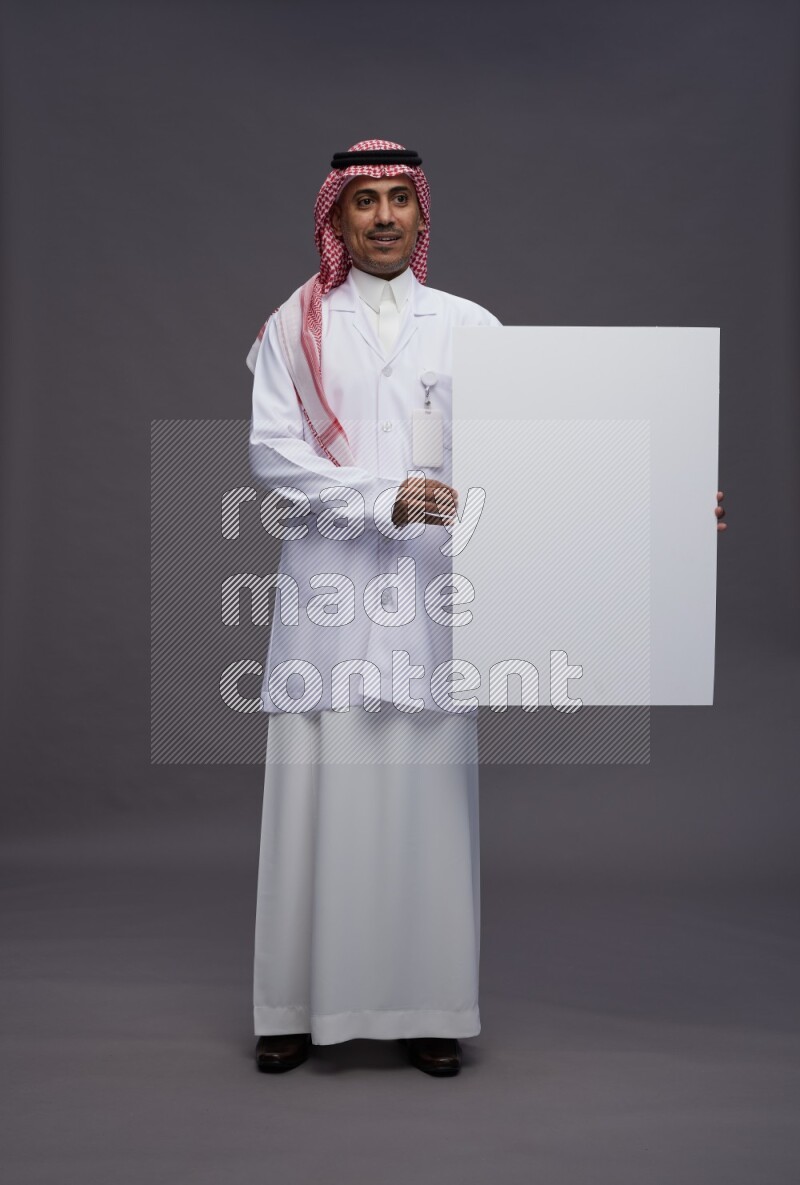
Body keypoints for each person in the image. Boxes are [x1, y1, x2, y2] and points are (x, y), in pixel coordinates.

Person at [246, 139, 501, 1077]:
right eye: (366, 201)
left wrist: (669, 506)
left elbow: (540, 452)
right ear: (338, 218)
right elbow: (272, 453)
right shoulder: (295, 324)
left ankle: (428, 1007)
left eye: (401, 199)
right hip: (330, 585)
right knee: (315, 794)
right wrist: (380, 497)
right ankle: (292, 1005)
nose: (385, 216)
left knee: (427, 804)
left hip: (435, 595)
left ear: (422, 215)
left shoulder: (471, 325)